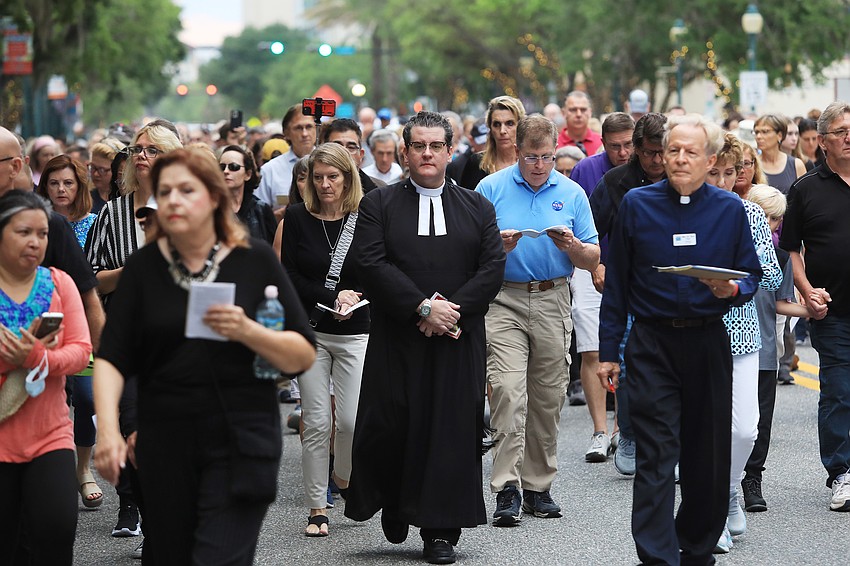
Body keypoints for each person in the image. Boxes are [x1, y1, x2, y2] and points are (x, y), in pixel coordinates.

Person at [93, 148, 317, 565]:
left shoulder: (254, 259)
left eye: (186, 190)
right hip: (165, 443)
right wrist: (108, 432)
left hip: (241, 438)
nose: (173, 200)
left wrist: (247, 330)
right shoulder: (144, 267)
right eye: (164, 192)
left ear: (214, 197)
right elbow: (112, 357)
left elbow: (302, 354)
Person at [597, 113, 762, 565]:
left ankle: (697, 546)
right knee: (656, 453)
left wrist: (732, 289)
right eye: (673, 150)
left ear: (710, 160)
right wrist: (609, 352)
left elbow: (751, 274)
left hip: (708, 342)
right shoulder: (636, 205)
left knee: (706, 455)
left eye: (691, 152)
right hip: (651, 343)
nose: (680, 159)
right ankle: (657, 556)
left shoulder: (729, 209)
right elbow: (617, 285)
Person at [344, 111, 505, 565]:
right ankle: (396, 504)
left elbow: (492, 268)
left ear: (451, 152)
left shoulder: (477, 207)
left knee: (450, 432)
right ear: (406, 152)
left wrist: (450, 312)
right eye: (419, 146)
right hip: (399, 337)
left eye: (436, 146)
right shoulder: (379, 204)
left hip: (457, 338)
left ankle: (440, 531)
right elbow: (371, 263)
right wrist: (421, 307)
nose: (427, 154)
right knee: (393, 424)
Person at [476, 114, 599, 526]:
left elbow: (592, 257)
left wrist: (573, 246)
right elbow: (470, 251)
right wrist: (498, 248)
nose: (540, 165)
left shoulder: (572, 192)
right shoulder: (490, 188)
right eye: (532, 157)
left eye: (547, 157)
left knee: (548, 396)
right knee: (508, 392)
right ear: (516, 151)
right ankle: (506, 488)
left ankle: (537, 486)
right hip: (503, 298)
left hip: (553, 296)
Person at [85, 119, 182, 547]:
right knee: (133, 428)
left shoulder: (185, 208)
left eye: (153, 149)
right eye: (138, 149)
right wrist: (133, 271)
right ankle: (144, 511)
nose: (142, 155)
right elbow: (91, 279)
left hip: (177, 344)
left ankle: (163, 518)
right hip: (127, 341)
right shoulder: (113, 212)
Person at [0, 190, 92, 566]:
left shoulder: (59, 283)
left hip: (49, 436)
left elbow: (81, 352)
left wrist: (37, 357)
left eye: (42, 234)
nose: (35, 242)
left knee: (56, 532)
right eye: (24, 232)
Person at [281, 143, 369, 537]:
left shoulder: (365, 216)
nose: (325, 184)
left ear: (347, 178)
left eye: (333, 176)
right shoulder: (297, 217)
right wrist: (332, 295)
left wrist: (353, 297)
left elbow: (376, 267)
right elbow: (290, 274)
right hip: (312, 332)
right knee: (317, 422)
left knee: (349, 420)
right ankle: (317, 507)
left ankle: (344, 474)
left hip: (356, 330)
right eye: (317, 177)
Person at [705, 134, 781, 551]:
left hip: (742, 332)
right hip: (696, 330)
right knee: (705, 427)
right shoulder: (689, 211)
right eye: (714, 172)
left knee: (745, 429)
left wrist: (736, 271)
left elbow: (770, 275)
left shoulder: (750, 213)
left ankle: (732, 487)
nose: (721, 181)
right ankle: (714, 507)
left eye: (728, 173)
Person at [588, 112, 668, 477]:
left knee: (670, 371)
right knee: (629, 368)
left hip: (672, 289)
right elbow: (589, 232)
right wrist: (598, 264)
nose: (657, 160)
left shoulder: (683, 178)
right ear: (637, 149)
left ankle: (668, 443)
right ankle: (630, 434)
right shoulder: (615, 182)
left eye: (662, 152)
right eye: (649, 152)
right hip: (630, 289)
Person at [779, 101, 850, 512]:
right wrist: (806, 291)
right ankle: (841, 472)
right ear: (822, 141)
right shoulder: (806, 189)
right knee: (839, 391)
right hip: (832, 310)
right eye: (840, 132)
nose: (848, 138)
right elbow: (791, 249)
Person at [742, 184, 809, 514]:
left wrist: (811, 309)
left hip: (765, 346)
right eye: (765, 216)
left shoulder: (780, 257)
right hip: (727, 346)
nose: (768, 225)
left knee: (761, 420)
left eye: (774, 219)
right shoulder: (729, 248)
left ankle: (753, 478)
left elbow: (782, 302)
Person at [449, 96, 526, 190]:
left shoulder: (530, 162)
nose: (502, 131)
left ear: (520, 126)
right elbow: (465, 198)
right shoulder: (477, 163)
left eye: (509, 123)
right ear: (490, 128)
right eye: (496, 124)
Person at [255, 105, 318, 219]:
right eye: (298, 128)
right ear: (286, 132)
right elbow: (259, 215)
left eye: (309, 127)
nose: (304, 134)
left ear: (317, 129)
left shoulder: (329, 165)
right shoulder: (270, 170)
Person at [219, 145, 276, 244]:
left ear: (248, 174)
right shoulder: (212, 207)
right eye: (222, 167)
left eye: (233, 167)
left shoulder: (261, 209)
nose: (226, 171)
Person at [37, 155, 96, 248]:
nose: (61, 189)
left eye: (68, 183)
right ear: (46, 187)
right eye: (54, 183)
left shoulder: (95, 224)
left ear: (79, 186)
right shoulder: (37, 222)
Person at [319, 118, 384, 192]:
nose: (344, 153)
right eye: (337, 147)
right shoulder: (312, 188)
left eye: (351, 147)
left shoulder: (380, 192)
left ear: (361, 155)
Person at [754, 114, 807, 195]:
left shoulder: (796, 164)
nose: (758, 136)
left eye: (765, 132)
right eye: (756, 132)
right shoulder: (752, 164)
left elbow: (805, 196)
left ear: (779, 135)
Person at [557, 91, 603, 156]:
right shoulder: (554, 145)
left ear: (590, 112)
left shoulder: (602, 143)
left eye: (583, 110)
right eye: (573, 110)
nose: (579, 114)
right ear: (563, 113)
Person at [89, 138, 127, 215]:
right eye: (93, 167)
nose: (96, 174)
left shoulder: (125, 200)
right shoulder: (85, 199)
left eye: (102, 170)